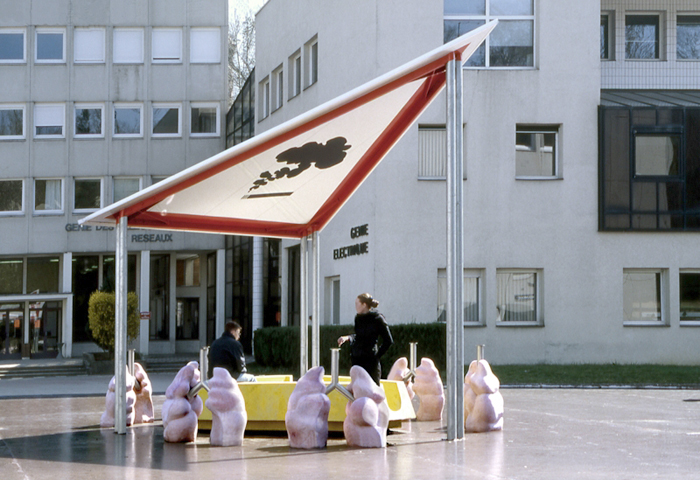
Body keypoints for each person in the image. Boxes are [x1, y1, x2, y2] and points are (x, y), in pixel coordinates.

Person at [337, 293, 393, 385]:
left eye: (357, 304)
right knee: (357, 389)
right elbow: (358, 336)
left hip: (370, 363)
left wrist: (376, 356)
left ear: (364, 304)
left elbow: (388, 340)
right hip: (357, 360)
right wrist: (347, 338)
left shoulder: (377, 319)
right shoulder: (358, 318)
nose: (355, 306)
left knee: (372, 391)